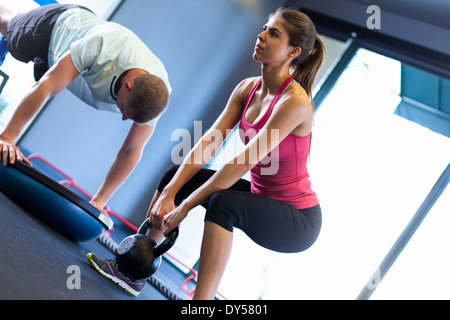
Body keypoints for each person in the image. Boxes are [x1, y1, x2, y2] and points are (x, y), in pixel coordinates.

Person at [88, 7, 325, 299]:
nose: (261, 36)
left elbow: (239, 164)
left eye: (273, 33)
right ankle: (133, 269)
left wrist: (184, 206)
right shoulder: (247, 88)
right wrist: (170, 193)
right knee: (175, 176)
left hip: (297, 220)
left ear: (293, 51)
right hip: (259, 195)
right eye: (264, 28)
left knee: (223, 203)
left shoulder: (294, 103)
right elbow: (207, 144)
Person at [0, 4, 171, 214]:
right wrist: (7, 138)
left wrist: (99, 201)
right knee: (9, 28)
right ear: (128, 87)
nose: (124, 118)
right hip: (56, 29)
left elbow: (131, 150)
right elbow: (46, 87)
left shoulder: (156, 96)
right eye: (125, 110)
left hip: (62, 64)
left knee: (46, 72)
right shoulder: (104, 44)